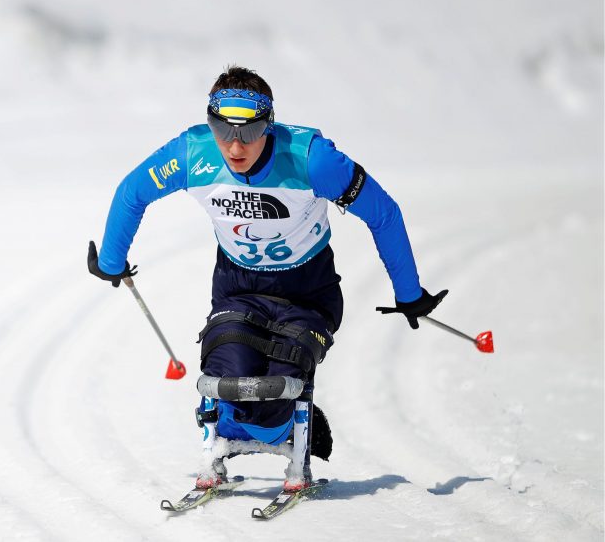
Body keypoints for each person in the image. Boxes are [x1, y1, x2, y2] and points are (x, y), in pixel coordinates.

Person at [87, 65, 448, 489]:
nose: (235, 145)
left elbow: (383, 213)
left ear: (269, 125)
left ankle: (294, 423)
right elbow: (134, 191)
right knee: (229, 385)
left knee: (277, 392)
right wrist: (112, 260)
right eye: (222, 129)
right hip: (238, 289)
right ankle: (251, 434)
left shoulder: (312, 159)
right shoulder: (192, 154)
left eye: (250, 130)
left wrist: (409, 292)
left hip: (306, 292)